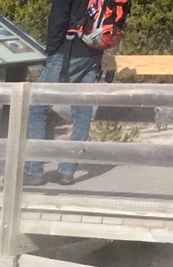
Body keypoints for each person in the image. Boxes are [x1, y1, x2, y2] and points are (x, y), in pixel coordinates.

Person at [25, 0, 130, 185]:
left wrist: (53, 51)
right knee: (82, 112)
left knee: (37, 107)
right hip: (94, 52)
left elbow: (58, 18)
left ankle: (33, 171)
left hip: (68, 51)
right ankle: (67, 170)